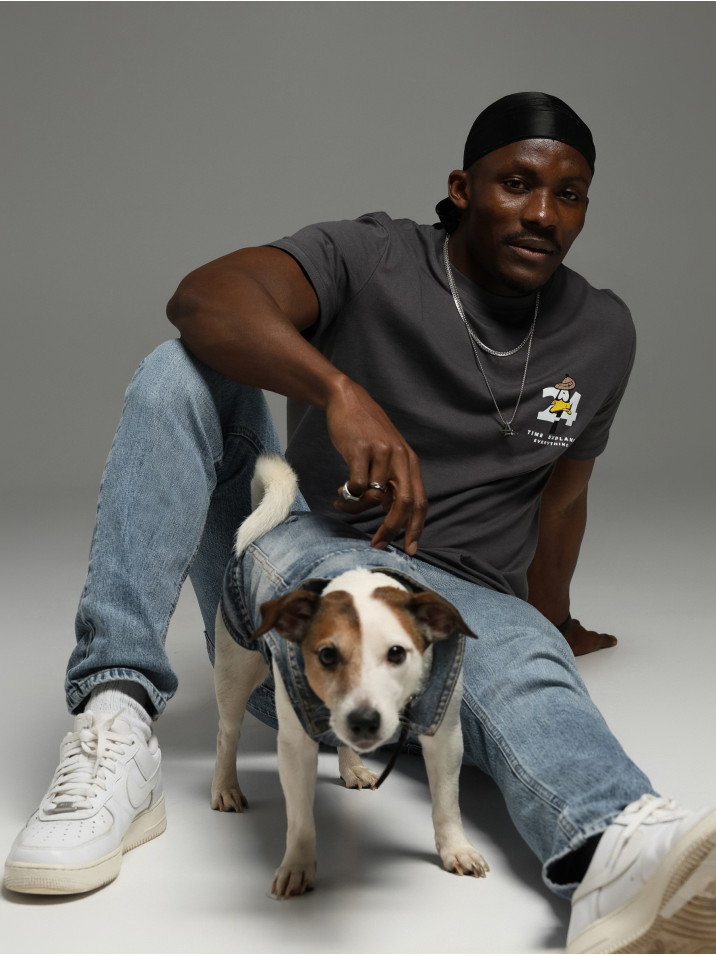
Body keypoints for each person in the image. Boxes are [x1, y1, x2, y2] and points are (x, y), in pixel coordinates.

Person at [4, 93, 715, 953]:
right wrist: (338, 391)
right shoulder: (372, 256)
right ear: (462, 187)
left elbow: (563, 498)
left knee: (525, 656)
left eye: (569, 195)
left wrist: (553, 620)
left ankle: (621, 856)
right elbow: (205, 297)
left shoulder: (602, 330)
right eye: (517, 184)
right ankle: (115, 716)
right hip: (308, 603)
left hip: (447, 630)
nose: (542, 213)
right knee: (179, 370)